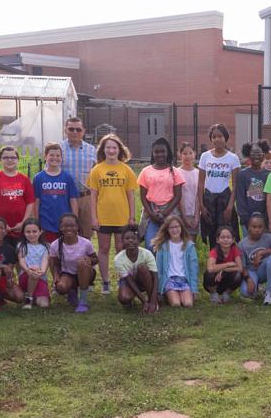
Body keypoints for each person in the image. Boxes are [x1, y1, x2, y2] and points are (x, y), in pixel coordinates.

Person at [88, 134, 137, 295]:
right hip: (103, 217)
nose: (111, 150)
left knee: (120, 248)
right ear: (103, 150)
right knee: (103, 248)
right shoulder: (97, 169)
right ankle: (106, 282)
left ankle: (123, 279)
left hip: (121, 216)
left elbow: (131, 196)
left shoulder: (126, 169)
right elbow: (93, 196)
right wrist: (94, 218)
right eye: (108, 147)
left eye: (114, 147)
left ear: (119, 150)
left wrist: (131, 217)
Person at [198, 123, 241, 248]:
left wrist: (229, 206)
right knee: (212, 233)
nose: (217, 139)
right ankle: (213, 261)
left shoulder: (233, 158)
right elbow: (201, 183)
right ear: (211, 139)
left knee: (225, 232)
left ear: (225, 137)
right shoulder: (205, 156)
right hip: (209, 199)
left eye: (220, 136)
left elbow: (235, 185)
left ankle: (228, 261)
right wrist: (201, 206)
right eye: (214, 137)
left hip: (225, 199)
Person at [138, 137, 184, 247]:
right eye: (156, 152)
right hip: (151, 210)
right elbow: (143, 196)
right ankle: (154, 264)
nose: (160, 154)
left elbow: (178, 196)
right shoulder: (146, 171)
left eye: (163, 151)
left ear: (167, 152)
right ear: (152, 153)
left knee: (171, 244)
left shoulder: (175, 172)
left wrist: (165, 213)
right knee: (150, 244)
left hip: (170, 211)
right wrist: (151, 213)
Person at [0, 146, 36, 243]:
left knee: (20, 255)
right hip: (0, 230)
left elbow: (30, 202)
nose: (9, 160)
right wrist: (1, 224)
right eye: (5, 157)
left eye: (13, 157)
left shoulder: (24, 180)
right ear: (0, 160)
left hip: (21, 228)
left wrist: (23, 222)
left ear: (17, 160)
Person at [49, 213, 97, 313]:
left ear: (77, 227)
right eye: (65, 226)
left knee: (81, 263)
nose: (69, 229)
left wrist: (89, 260)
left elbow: (96, 259)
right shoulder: (55, 245)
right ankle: (72, 291)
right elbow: (54, 263)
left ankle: (83, 300)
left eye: (72, 226)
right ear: (61, 228)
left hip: (86, 273)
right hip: (68, 274)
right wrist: (56, 276)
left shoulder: (85, 243)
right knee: (61, 288)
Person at [60, 117, 98, 239]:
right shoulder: (58, 149)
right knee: (65, 233)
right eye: (71, 129)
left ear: (83, 131)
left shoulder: (92, 150)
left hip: (85, 197)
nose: (75, 132)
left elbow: (98, 174)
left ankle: (85, 258)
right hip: (64, 198)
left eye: (78, 129)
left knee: (86, 234)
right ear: (65, 130)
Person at [33, 143, 79, 243]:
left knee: (65, 251)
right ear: (45, 157)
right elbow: (36, 202)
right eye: (51, 155)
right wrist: (37, 222)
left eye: (58, 156)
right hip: (46, 222)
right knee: (48, 251)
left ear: (62, 158)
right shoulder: (39, 178)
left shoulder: (67, 177)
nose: (55, 158)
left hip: (64, 223)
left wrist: (74, 221)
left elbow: (73, 201)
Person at [151, 215, 199, 308]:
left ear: (181, 227)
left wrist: (194, 289)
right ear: (167, 230)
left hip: (185, 279)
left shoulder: (189, 246)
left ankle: (183, 293)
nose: (174, 230)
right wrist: (159, 289)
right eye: (171, 227)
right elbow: (159, 269)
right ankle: (167, 293)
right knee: (176, 304)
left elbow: (194, 269)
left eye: (177, 227)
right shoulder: (163, 246)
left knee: (188, 304)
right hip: (170, 279)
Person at [113, 225, 159, 314]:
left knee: (142, 268)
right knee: (124, 297)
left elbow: (155, 278)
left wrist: (153, 301)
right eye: (127, 238)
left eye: (133, 238)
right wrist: (143, 302)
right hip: (129, 282)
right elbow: (129, 280)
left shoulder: (147, 254)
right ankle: (134, 301)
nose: (130, 240)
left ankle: (152, 300)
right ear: (122, 241)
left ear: (138, 241)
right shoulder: (118, 259)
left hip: (145, 280)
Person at [238, 214, 271, 305]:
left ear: (264, 228)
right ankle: (258, 288)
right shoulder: (242, 244)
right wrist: (249, 279)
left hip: (265, 269)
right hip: (251, 271)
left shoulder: (268, 237)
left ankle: (269, 292)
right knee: (246, 292)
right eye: (254, 227)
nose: (257, 230)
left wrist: (261, 253)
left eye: (260, 227)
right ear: (248, 227)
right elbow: (242, 266)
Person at [234, 141, 270, 234]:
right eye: (253, 153)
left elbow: (270, 199)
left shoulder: (269, 175)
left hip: (265, 221)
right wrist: (246, 220)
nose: (256, 156)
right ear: (248, 155)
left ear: (264, 155)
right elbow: (240, 199)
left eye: (259, 153)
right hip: (247, 222)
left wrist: (267, 219)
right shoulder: (242, 174)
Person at [204, 225, 243, 305]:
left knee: (238, 275)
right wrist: (228, 264)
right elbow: (210, 268)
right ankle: (214, 294)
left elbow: (240, 268)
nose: (225, 240)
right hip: (215, 281)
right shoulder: (214, 251)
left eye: (228, 237)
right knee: (209, 274)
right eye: (222, 237)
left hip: (227, 279)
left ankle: (226, 294)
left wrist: (223, 270)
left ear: (233, 240)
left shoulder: (235, 249)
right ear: (217, 240)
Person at [16, 219, 50, 309]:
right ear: (23, 233)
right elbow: (21, 260)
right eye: (28, 232)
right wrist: (28, 270)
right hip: (26, 276)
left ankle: (33, 296)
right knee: (33, 270)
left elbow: (45, 261)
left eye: (34, 231)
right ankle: (29, 299)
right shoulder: (22, 245)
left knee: (44, 305)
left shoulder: (46, 246)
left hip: (40, 277)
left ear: (40, 232)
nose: (31, 234)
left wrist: (41, 272)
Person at [177, 142, 201, 238]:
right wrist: (183, 216)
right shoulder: (177, 172)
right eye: (185, 153)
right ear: (180, 155)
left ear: (194, 154)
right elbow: (179, 196)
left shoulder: (199, 173)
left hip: (194, 213)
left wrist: (197, 216)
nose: (188, 156)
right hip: (179, 214)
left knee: (191, 243)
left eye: (190, 153)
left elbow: (199, 196)